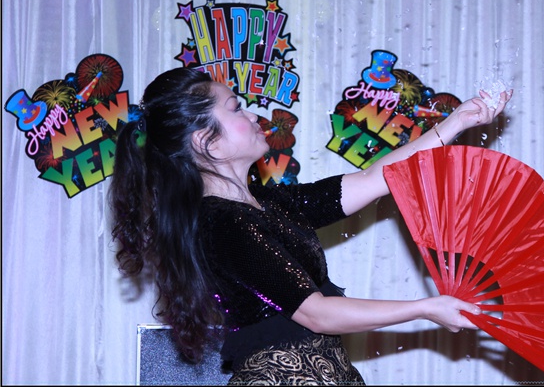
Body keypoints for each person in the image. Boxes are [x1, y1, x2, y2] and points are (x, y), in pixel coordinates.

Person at [109, 66, 512, 385]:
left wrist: (456, 122)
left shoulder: (272, 204)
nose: (253, 115)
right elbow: (317, 314)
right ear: (206, 141)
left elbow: (377, 178)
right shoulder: (220, 222)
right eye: (235, 108)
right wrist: (426, 308)